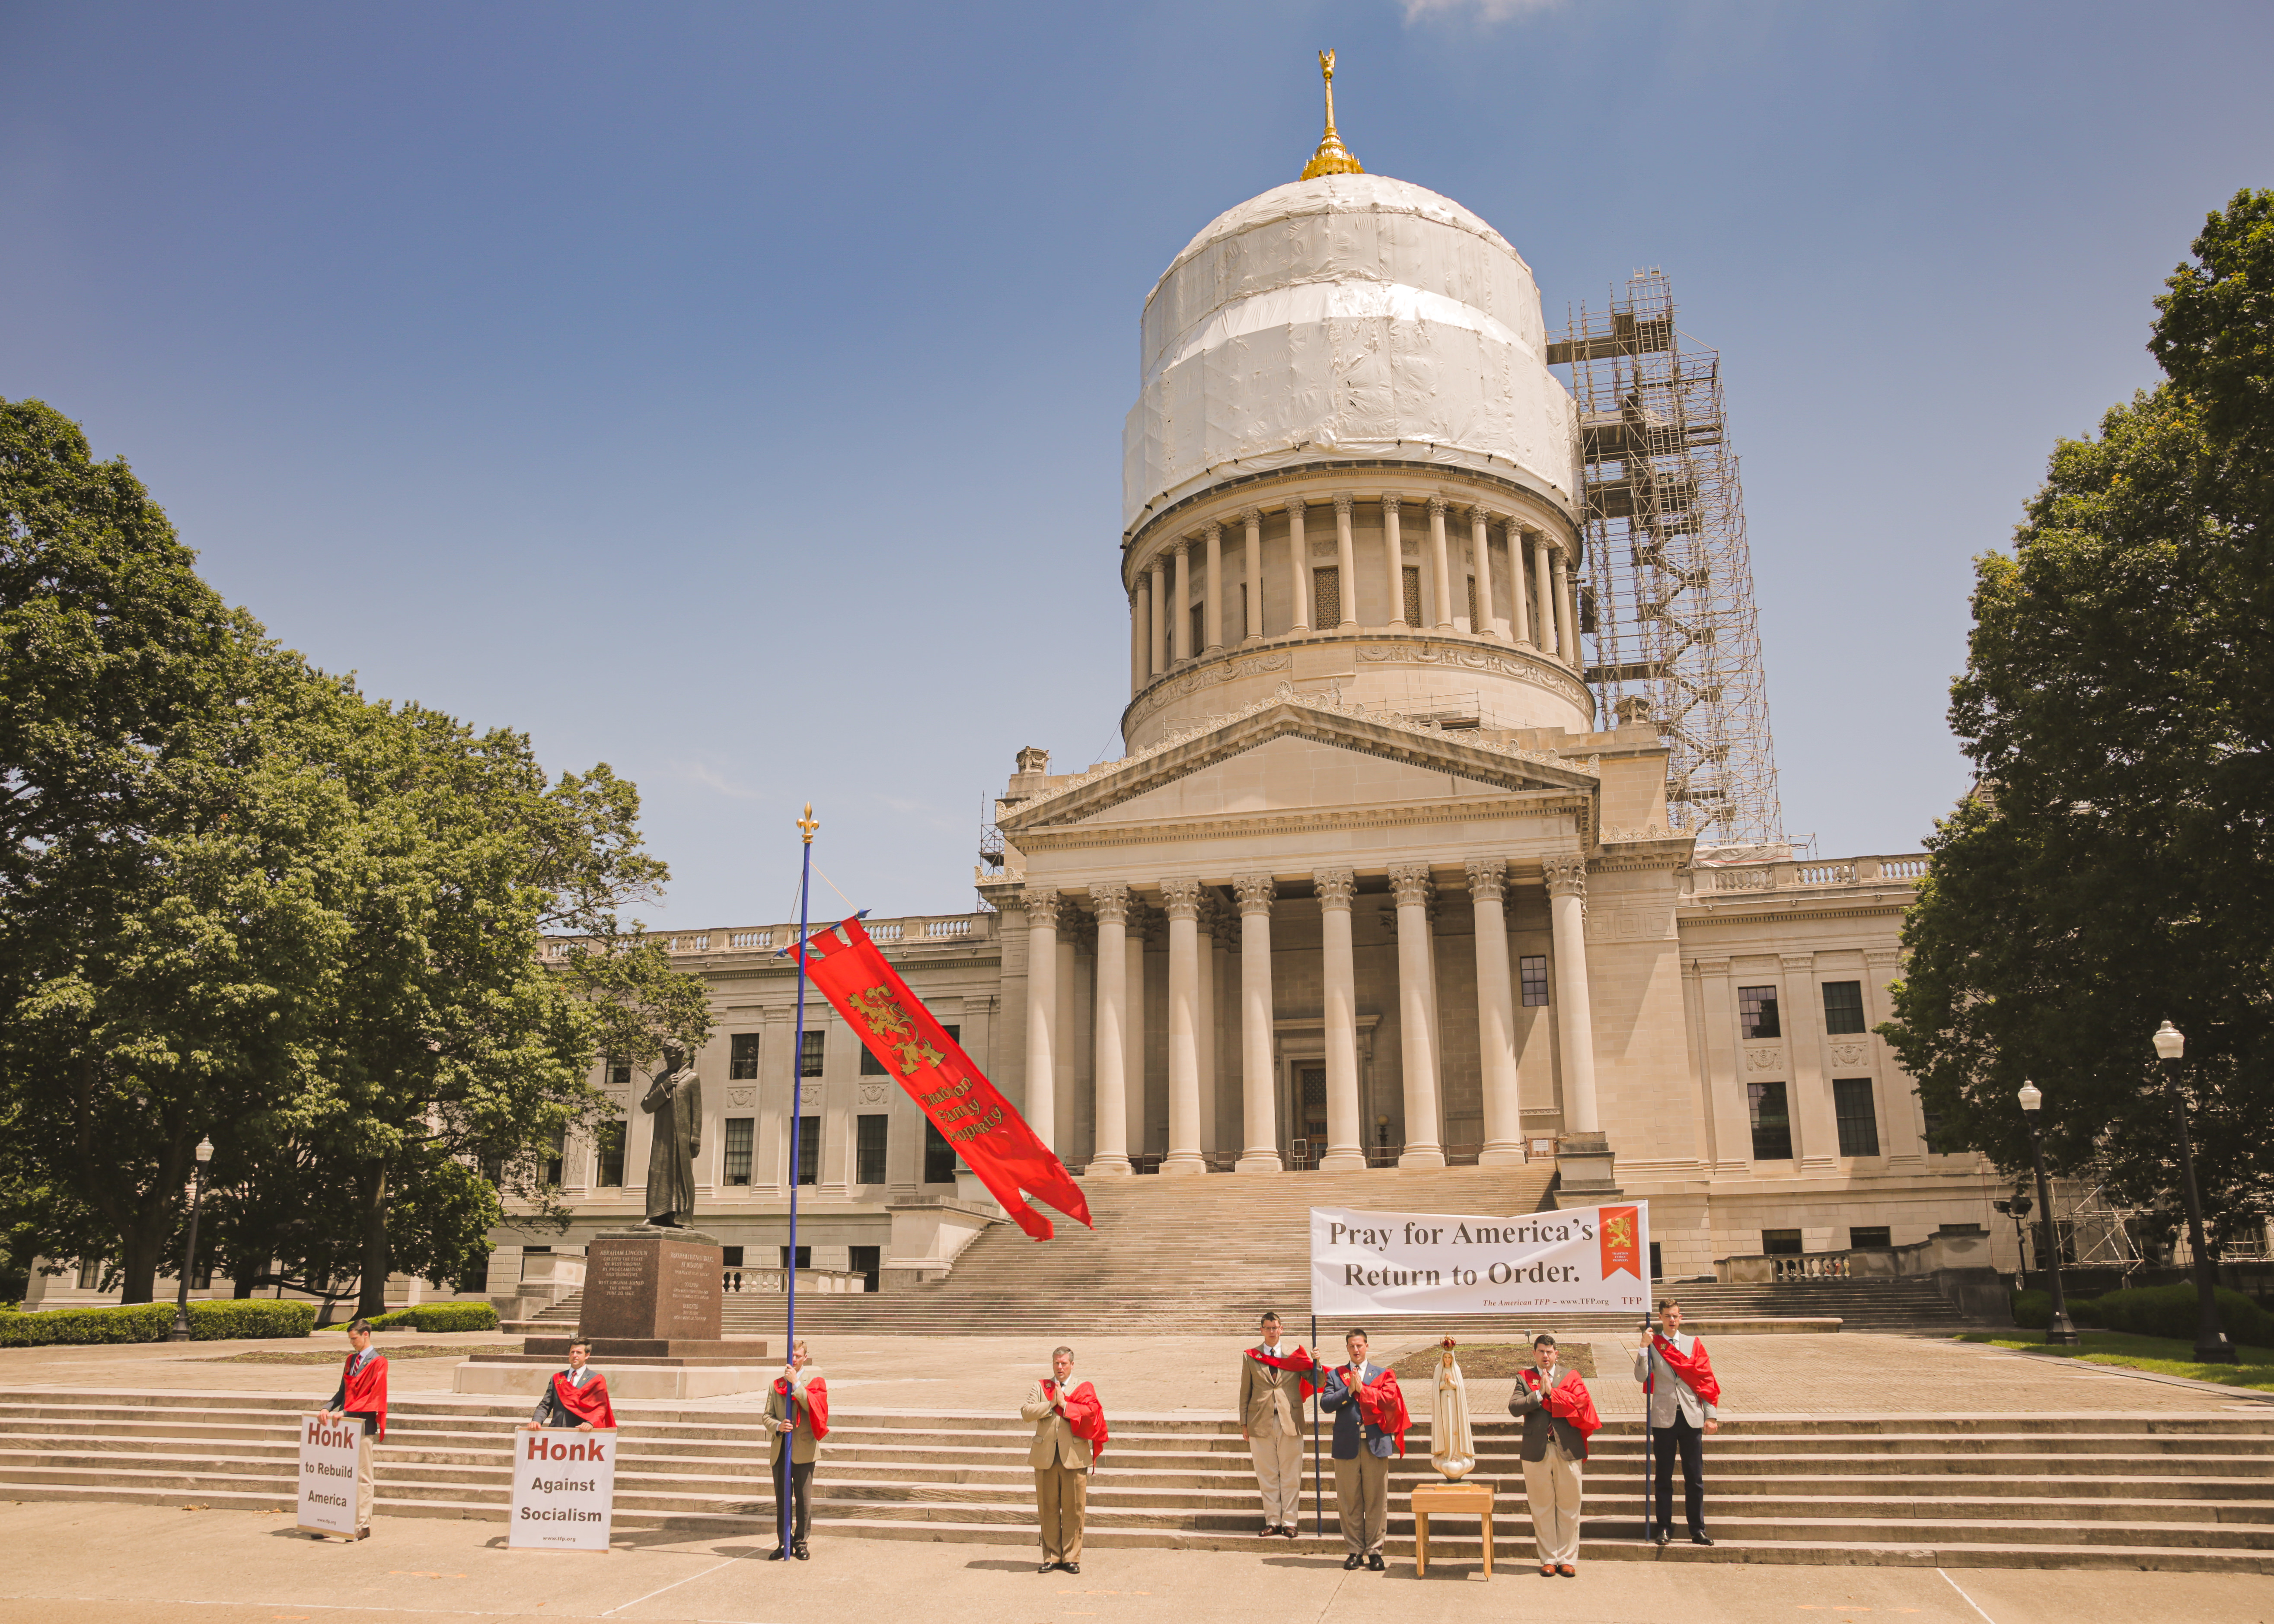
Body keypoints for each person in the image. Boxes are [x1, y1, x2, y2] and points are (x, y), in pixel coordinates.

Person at [1508, 1332, 1598, 1578]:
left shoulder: (1571, 1376)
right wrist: (1539, 1394)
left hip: (1567, 1449)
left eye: (1549, 1352)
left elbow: (1581, 1403)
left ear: (1556, 1353)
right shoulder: (1525, 1377)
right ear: (1534, 1353)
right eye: (1541, 1351)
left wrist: (1553, 1394)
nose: (1545, 1356)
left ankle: (1567, 1559)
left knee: (1570, 1506)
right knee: (1541, 1506)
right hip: (1536, 1450)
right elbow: (1514, 1407)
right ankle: (1549, 1558)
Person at [1634, 1298, 1720, 1546]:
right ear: (1660, 1318)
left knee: (1694, 1477)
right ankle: (1664, 1528)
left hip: (1692, 1417)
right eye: (1668, 1316)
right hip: (1664, 1417)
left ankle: (1697, 1529)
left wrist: (1711, 1415)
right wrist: (1643, 1347)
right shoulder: (1653, 1344)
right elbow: (1641, 1376)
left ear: (1681, 1317)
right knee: (1663, 1477)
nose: (1672, 1320)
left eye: (1676, 1316)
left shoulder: (1694, 1344)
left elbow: (1706, 1380)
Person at [1318, 1328, 1406, 1572]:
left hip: (1376, 1444)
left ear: (1367, 1346)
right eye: (1351, 1347)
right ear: (1347, 1348)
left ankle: (1376, 1551)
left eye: (1360, 1346)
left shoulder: (1383, 1374)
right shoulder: (1337, 1375)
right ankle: (1355, 1550)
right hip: (1347, 1446)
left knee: (1377, 1501)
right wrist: (1349, 1391)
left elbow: (1389, 1400)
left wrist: (1363, 1390)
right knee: (1350, 1501)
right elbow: (1326, 1404)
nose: (1356, 1350)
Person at [1021, 1344, 1107, 1575]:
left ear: (1072, 1365)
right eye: (1057, 1363)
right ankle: (1051, 1556)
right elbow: (1026, 1412)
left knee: (1074, 1508)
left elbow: (1091, 1413)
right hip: (1046, 1456)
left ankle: (1071, 1557)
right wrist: (1052, 1404)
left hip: (1074, 1456)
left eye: (1064, 1364)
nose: (1060, 1367)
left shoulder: (1083, 1388)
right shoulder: (1042, 1387)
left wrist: (1066, 1405)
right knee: (1048, 1508)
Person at [1238, 1311, 1319, 1538]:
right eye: (1268, 1328)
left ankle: (1290, 1521)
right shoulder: (1251, 1357)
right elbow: (1246, 1391)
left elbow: (1318, 1381)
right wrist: (1243, 1423)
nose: (1272, 1332)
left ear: (1282, 1329)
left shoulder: (1293, 1356)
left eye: (1276, 1328)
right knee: (1267, 1474)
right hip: (1260, 1422)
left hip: (1290, 1422)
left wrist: (1316, 1362)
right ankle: (1273, 1520)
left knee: (1291, 1474)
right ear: (1261, 1330)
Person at [316, 1318, 388, 1540]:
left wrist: (345, 1412)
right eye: (350, 1339)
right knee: (338, 1473)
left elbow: (374, 1397)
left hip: (363, 1424)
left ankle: (363, 1525)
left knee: (363, 1476)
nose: (352, 1343)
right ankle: (333, 1522)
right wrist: (328, 1407)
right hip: (343, 1423)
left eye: (354, 1339)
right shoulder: (350, 1360)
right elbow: (343, 1392)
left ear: (366, 1335)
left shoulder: (379, 1362)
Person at [767, 1338, 829, 1561]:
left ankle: (801, 1542)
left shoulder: (815, 1382)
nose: (793, 1360)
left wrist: (797, 1384)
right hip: (782, 1448)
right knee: (783, 1499)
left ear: (805, 1358)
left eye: (798, 1356)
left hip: (804, 1448)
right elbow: (767, 1416)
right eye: (790, 1356)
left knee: (803, 1500)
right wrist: (777, 1426)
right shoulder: (776, 1384)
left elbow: (814, 1407)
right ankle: (784, 1542)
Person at [522, 1334, 616, 1433]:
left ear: (587, 1356)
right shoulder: (557, 1378)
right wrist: (537, 1421)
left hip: (581, 1433)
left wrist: (591, 1423)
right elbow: (545, 1405)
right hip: (557, 1432)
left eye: (579, 1353)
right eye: (572, 1352)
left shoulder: (596, 1380)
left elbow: (602, 1407)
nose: (575, 1355)